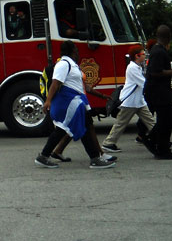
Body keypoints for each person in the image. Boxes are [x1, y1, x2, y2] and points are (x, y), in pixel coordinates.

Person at [34, 40, 115, 169]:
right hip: (69, 103)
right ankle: (94, 159)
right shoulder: (64, 64)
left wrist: (101, 95)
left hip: (76, 102)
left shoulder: (71, 65)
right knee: (66, 129)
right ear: (72, 51)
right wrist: (48, 101)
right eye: (76, 49)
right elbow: (55, 83)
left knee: (83, 126)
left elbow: (81, 85)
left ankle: (44, 156)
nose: (78, 52)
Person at [100, 46, 156, 153]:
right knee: (121, 123)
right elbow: (143, 83)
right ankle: (108, 143)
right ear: (137, 56)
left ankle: (162, 139)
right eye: (143, 54)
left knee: (150, 121)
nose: (145, 56)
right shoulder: (132, 68)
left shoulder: (137, 67)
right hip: (130, 102)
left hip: (138, 101)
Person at [144, 25, 172, 160]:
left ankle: (153, 140)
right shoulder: (159, 51)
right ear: (168, 37)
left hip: (159, 91)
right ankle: (162, 149)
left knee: (167, 118)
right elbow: (155, 72)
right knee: (165, 121)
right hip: (159, 92)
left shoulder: (157, 50)